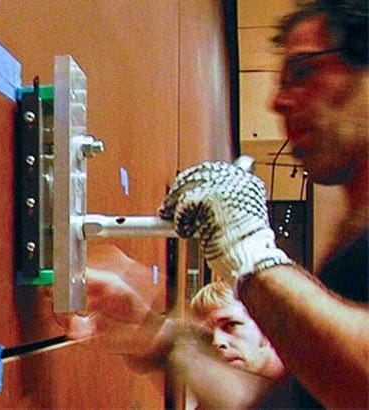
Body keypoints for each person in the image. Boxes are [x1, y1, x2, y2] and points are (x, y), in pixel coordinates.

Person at [68, 1, 368, 408]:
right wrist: (158, 337)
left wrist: (247, 249)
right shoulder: (350, 250)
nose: (277, 101)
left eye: (304, 71)